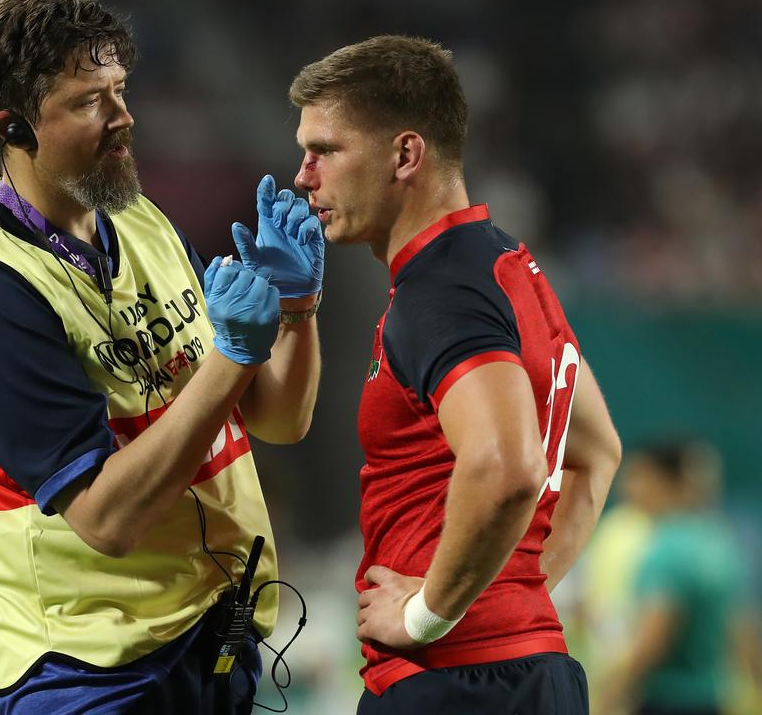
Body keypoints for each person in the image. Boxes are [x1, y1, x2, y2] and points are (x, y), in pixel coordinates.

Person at [0, 0, 324, 714]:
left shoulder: (138, 220)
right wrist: (234, 356)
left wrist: (296, 312)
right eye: (88, 102)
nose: (123, 117)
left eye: (120, 91)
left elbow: (277, 419)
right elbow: (105, 519)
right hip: (85, 673)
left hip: (207, 637)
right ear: (13, 127)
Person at [280, 35, 623, 713]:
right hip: (524, 671)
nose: (303, 176)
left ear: (405, 154)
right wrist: (505, 598)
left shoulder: (440, 292)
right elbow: (595, 452)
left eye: (326, 150)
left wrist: (427, 616)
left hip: (453, 686)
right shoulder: (504, 265)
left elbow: (508, 466)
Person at [596, 441, 760, 715]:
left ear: (660, 480)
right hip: (711, 700)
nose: (628, 488)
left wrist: (610, 696)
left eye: (637, 476)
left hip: (665, 702)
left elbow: (652, 639)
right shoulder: (719, 543)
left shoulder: (666, 550)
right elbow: (743, 627)